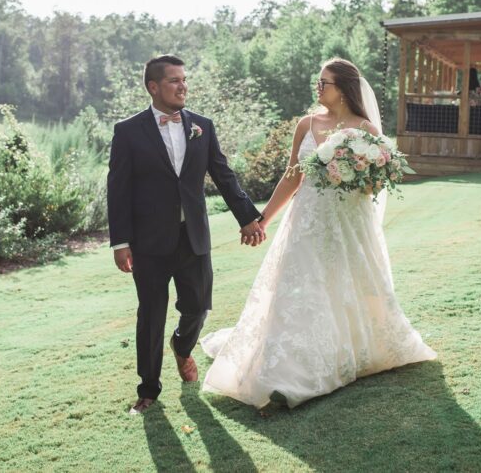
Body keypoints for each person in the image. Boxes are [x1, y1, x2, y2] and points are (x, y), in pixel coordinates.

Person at [200, 57, 437, 409]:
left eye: (324, 82)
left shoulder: (367, 131)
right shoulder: (306, 124)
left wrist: (355, 174)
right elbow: (292, 176)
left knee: (349, 284)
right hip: (307, 221)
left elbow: (376, 185)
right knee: (298, 287)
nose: (318, 87)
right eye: (319, 82)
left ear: (343, 88)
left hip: (349, 224)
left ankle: (351, 348)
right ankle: (291, 362)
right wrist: (263, 219)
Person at [107, 55, 266, 415]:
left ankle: (182, 346)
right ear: (153, 87)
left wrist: (247, 218)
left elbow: (224, 176)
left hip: (193, 236)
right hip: (148, 243)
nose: (183, 86)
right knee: (151, 315)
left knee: (198, 307)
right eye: (174, 81)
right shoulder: (128, 131)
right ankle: (148, 390)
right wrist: (121, 242)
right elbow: (117, 190)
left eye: (184, 80)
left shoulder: (202, 126)